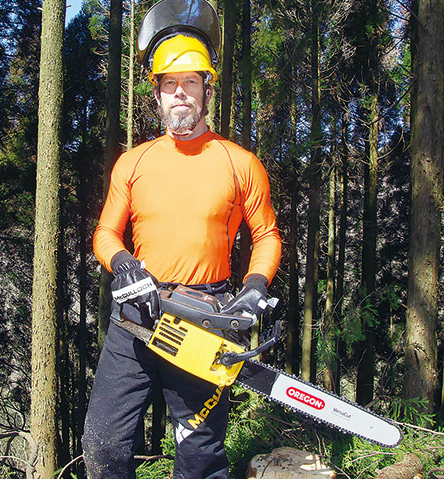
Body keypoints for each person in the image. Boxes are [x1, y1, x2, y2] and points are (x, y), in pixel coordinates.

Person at [82, 0, 281, 477]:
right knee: (103, 444)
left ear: (206, 89)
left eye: (190, 82)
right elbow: (105, 233)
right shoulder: (134, 162)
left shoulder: (240, 163)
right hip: (136, 315)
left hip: (203, 319)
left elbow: (267, 235)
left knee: (198, 456)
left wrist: (255, 286)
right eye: (170, 83)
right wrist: (123, 264)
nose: (180, 93)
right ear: (156, 93)